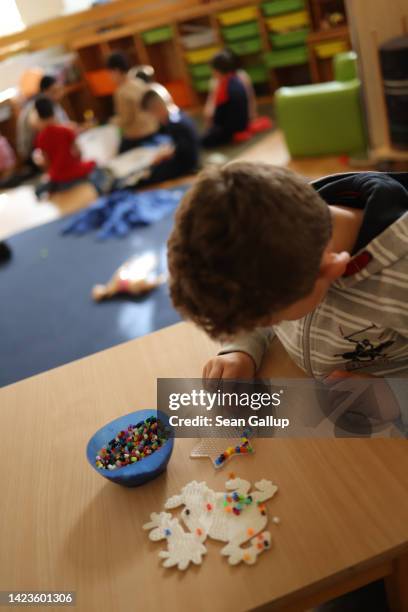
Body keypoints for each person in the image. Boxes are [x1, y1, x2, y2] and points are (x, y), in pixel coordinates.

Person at [168, 163, 408, 431]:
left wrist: (395, 395)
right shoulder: (285, 223)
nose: (264, 324)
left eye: (272, 318)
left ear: (332, 268)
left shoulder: (401, 280)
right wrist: (242, 349)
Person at [33, 96, 109, 197]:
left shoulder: (40, 138)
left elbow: (46, 163)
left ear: (39, 116)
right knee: (96, 165)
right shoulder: (66, 130)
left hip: (56, 175)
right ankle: (101, 192)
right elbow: (78, 153)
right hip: (72, 171)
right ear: (53, 111)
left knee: (50, 178)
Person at [140, 84, 199, 185]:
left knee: (148, 177)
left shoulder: (175, 124)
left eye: (152, 114)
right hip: (188, 160)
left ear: (157, 108)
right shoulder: (177, 114)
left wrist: (165, 155)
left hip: (188, 165)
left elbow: (184, 154)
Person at [106, 52, 158, 153]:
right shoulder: (139, 82)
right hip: (153, 128)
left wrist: (110, 122)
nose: (109, 77)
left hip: (139, 136)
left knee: (114, 151)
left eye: (109, 73)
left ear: (116, 71)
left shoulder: (121, 92)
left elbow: (126, 119)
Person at [202, 50, 249, 148]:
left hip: (231, 130)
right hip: (243, 124)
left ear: (217, 70)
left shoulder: (223, 86)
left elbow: (215, 115)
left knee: (202, 141)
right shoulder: (237, 79)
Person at [16, 74, 69, 162]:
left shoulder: (53, 103)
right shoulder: (38, 105)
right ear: (45, 92)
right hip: (33, 153)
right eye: (54, 91)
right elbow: (41, 126)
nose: (60, 94)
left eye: (60, 89)